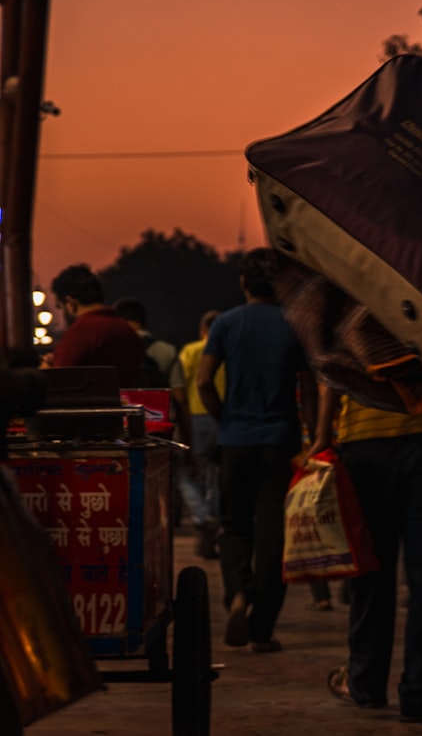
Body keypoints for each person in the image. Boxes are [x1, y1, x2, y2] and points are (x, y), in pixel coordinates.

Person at [197, 248, 317, 654]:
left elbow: (203, 381)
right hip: (281, 440)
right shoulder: (293, 325)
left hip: (236, 441)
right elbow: (308, 389)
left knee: (234, 527)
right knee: (273, 536)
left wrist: (224, 416)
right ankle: (262, 629)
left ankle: (238, 593)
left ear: (244, 283)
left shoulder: (227, 324)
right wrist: (313, 436)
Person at [317, 389, 422, 724]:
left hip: (365, 441)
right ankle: (420, 694)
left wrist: (321, 435)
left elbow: (330, 372)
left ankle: (364, 683)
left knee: (370, 570)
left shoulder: (350, 331)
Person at [176, 310, 225, 560]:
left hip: (196, 417)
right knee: (216, 475)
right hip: (224, 417)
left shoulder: (191, 350)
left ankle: (202, 515)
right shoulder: (228, 350)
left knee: (187, 473)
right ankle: (213, 517)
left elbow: (180, 387)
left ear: (202, 330)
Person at [50, 264, 144, 385]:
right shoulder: (125, 329)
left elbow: (60, 378)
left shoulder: (81, 331)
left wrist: (47, 367)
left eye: (60, 307)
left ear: (70, 303)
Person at [113, 296, 183, 389]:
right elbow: (179, 391)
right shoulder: (168, 350)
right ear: (144, 321)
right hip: (157, 402)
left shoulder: (114, 348)